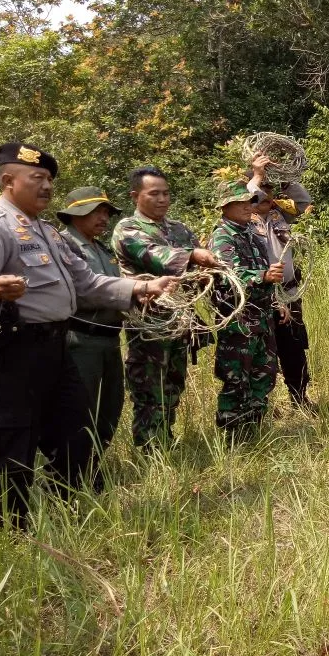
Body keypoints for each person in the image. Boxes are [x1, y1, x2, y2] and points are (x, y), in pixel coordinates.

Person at [0, 143, 174, 527]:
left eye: (49, 179)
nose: (47, 186)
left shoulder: (48, 233)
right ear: (8, 181)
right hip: (15, 350)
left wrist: (142, 288)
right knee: (12, 441)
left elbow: (87, 282)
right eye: (37, 178)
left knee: (75, 433)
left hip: (57, 347)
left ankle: (66, 515)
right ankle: (11, 529)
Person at [112, 166, 220, 448]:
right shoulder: (128, 229)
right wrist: (193, 256)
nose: (162, 199)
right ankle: (150, 449)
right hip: (149, 322)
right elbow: (154, 256)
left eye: (166, 193)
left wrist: (207, 271)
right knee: (149, 386)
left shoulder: (179, 228)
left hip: (180, 320)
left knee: (173, 382)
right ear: (135, 196)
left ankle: (164, 440)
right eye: (154, 194)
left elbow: (199, 269)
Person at [57, 186, 127, 491]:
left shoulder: (101, 249)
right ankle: (67, 480)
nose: (103, 218)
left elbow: (113, 285)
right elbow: (83, 291)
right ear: (75, 214)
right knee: (79, 412)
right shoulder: (64, 245)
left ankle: (92, 469)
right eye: (96, 212)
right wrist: (130, 292)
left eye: (106, 213)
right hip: (81, 340)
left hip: (109, 340)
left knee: (109, 409)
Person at [207, 180, 284, 441]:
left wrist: (277, 300)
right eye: (239, 202)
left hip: (262, 318)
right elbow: (229, 276)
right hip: (238, 321)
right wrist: (263, 276)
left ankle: (253, 432)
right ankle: (232, 438)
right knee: (235, 379)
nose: (246, 206)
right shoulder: (222, 237)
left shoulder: (252, 234)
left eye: (249, 201)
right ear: (225, 206)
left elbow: (266, 273)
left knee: (264, 376)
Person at [247, 159, 311, 409]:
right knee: (261, 351)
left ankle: (299, 397)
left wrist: (285, 179)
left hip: (288, 293)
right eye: (261, 188)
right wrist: (256, 176)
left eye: (270, 189)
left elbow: (303, 202)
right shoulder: (243, 218)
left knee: (294, 347)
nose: (266, 194)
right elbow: (248, 196)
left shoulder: (279, 213)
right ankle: (261, 403)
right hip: (259, 295)